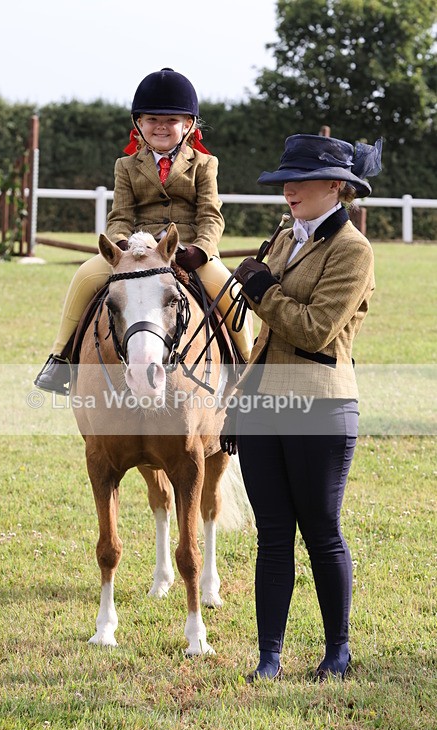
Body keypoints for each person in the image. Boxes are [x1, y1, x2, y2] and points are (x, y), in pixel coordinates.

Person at [222, 133, 382, 681]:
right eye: (284, 181)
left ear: (336, 186)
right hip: (265, 404)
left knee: (320, 529)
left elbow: (315, 332)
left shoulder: (353, 250)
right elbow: (265, 340)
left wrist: (264, 291)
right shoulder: (285, 237)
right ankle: (269, 657)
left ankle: (337, 650)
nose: (288, 189)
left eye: (300, 180)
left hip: (321, 408)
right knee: (272, 534)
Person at [34, 67, 253, 394]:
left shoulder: (206, 164)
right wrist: (121, 244)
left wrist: (201, 249)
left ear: (188, 124)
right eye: (152, 119)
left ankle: (249, 367)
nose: (161, 127)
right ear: (139, 123)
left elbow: (210, 214)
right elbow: (120, 213)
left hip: (187, 251)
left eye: (171, 120)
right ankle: (60, 358)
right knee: (83, 275)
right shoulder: (126, 166)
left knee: (230, 290)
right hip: (135, 253)